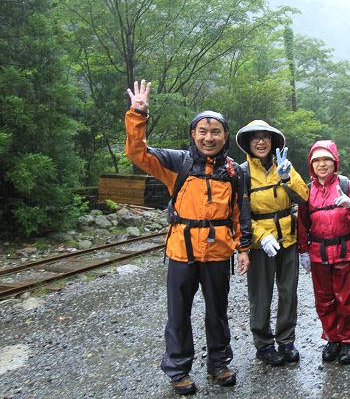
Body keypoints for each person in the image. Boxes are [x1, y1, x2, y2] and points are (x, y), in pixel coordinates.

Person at [125, 80, 251, 395]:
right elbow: (137, 152)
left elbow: (238, 213)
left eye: (216, 132)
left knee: (218, 311)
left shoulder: (234, 172)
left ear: (225, 136)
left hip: (219, 252)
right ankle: (179, 369)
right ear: (193, 134)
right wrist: (138, 114)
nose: (209, 138)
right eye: (202, 132)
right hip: (182, 251)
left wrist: (244, 248)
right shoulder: (177, 162)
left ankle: (219, 363)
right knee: (178, 313)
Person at [235, 120, 309, 365]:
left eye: (265, 137)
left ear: (273, 142)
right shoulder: (242, 172)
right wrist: (260, 235)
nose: (260, 142)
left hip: (288, 239)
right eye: (255, 138)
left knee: (288, 291)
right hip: (260, 245)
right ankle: (264, 345)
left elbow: (304, 197)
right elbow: (239, 213)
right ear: (247, 143)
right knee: (260, 294)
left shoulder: (284, 165)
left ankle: (286, 341)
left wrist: (286, 178)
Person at [297, 140, 350, 365]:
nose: (322, 164)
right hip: (318, 255)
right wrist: (302, 252)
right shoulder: (306, 191)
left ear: (335, 161)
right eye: (316, 160)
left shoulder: (348, 186)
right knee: (324, 301)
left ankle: (348, 341)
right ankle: (332, 339)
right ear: (311, 165)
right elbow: (301, 224)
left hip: (345, 253)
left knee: (346, 300)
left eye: (326, 159)